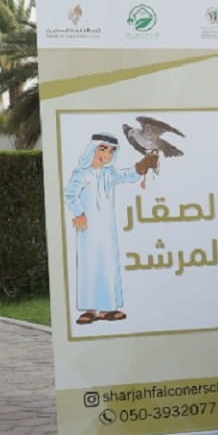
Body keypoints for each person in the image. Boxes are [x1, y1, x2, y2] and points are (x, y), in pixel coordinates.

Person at [64, 132, 151, 325]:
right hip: (87, 229)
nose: (108, 153)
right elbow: (70, 195)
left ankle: (107, 309)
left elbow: (128, 175)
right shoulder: (82, 173)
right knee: (89, 265)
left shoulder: (109, 173)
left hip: (106, 228)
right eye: (104, 148)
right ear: (94, 150)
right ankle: (90, 309)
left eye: (112, 150)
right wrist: (79, 213)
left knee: (108, 264)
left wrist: (143, 165)